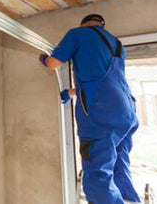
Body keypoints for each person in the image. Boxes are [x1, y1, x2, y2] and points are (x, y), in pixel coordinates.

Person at [39, 14, 141, 204]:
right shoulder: (116, 44)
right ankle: (131, 201)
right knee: (119, 165)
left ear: (83, 24)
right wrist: (71, 92)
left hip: (102, 117)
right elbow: (104, 83)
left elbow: (54, 63)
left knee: (98, 177)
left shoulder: (78, 34)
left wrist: (44, 59)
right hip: (127, 111)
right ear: (102, 25)